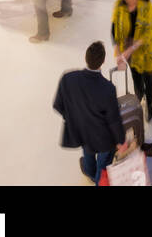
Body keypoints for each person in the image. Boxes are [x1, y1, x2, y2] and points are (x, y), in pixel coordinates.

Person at [53, 41, 126, 185]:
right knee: (103, 163)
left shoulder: (68, 78)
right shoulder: (107, 89)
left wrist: (75, 119)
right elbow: (113, 120)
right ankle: (98, 180)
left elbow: (58, 105)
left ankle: (89, 171)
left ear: (86, 58)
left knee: (87, 152)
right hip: (102, 138)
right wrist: (120, 141)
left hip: (81, 131)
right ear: (103, 61)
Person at [111, 0, 152, 122]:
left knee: (147, 77)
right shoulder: (119, 5)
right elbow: (113, 29)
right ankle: (139, 98)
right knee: (135, 77)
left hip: (145, 50)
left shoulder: (146, 7)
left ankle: (150, 105)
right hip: (128, 50)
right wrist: (118, 52)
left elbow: (148, 34)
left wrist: (130, 49)